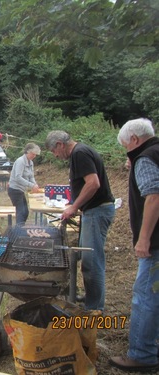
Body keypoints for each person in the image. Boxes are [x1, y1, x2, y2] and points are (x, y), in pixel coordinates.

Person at [109, 118, 159, 373]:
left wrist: (144, 238)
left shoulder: (146, 158)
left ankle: (142, 354)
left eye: (126, 146)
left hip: (156, 242)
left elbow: (153, 197)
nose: (126, 151)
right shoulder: (154, 152)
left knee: (145, 297)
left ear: (135, 140)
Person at [45, 130, 115, 311]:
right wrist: (76, 205)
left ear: (60, 144)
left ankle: (94, 310)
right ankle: (92, 298)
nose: (56, 155)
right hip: (92, 211)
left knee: (92, 263)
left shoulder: (79, 153)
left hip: (97, 212)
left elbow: (93, 183)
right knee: (86, 258)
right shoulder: (80, 152)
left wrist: (74, 206)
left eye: (54, 151)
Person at [8, 143, 41, 225]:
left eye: (35, 154)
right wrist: (31, 185)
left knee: (25, 212)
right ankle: (18, 231)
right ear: (27, 152)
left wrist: (35, 184)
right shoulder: (20, 161)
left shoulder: (31, 163)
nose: (34, 156)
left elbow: (31, 176)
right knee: (21, 212)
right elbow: (17, 177)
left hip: (21, 190)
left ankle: (21, 228)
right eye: (33, 154)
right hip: (15, 189)